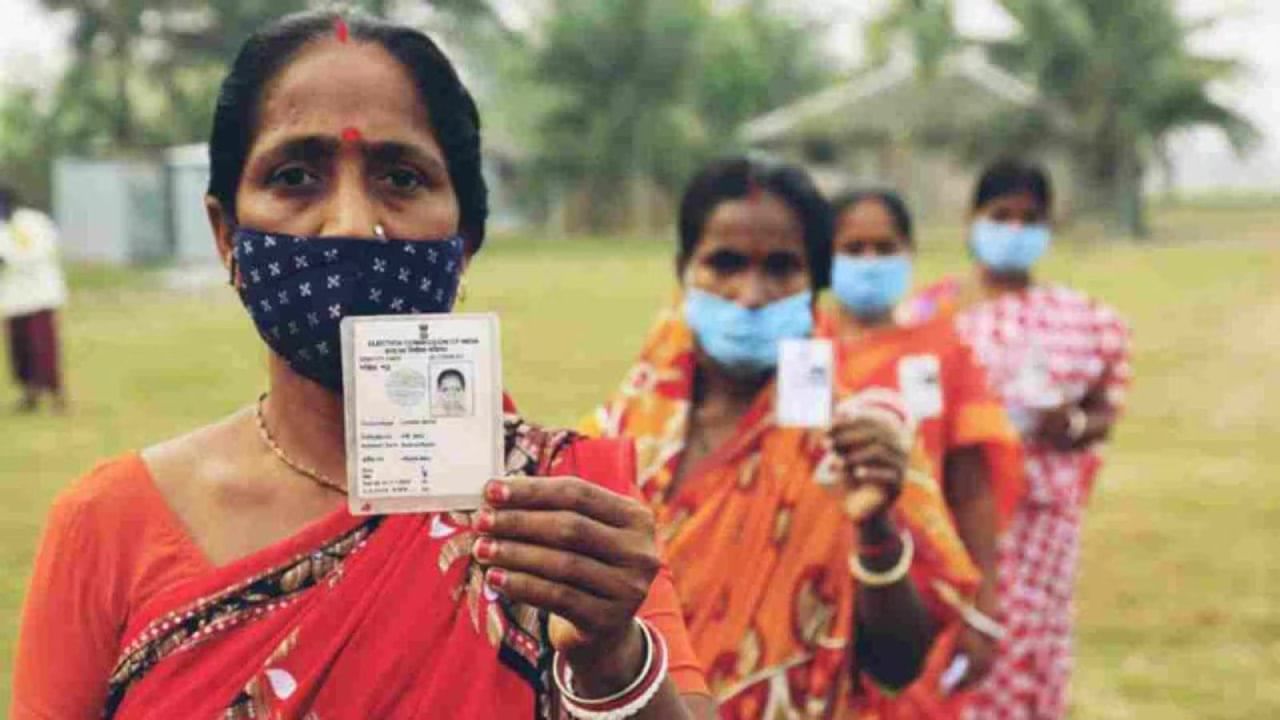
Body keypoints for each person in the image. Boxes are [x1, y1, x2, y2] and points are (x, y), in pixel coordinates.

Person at [10, 11, 714, 720]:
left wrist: (614, 656)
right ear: (227, 236)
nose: (349, 223)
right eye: (294, 177)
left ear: (463, 241)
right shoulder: (106, 527)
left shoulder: (564, 508)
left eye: (401, 178)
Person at [582, 157, 980, 719]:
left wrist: (874, 529)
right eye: (725, 263)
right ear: (684, 270)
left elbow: (899, 665)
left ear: (814, 287)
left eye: (780, 268)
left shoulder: (858, 444)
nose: (750, 294)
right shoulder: (615, 439)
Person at [906, 160, 1132, 719]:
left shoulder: (1082, 318)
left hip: (1042, 522)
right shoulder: (927, 313)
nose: (1013, 229)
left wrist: (1073, 427)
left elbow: (1105, 406)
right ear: (971, 220)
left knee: (1032, 645)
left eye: (1028, 218)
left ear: (1047, 227)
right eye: (1000, 215)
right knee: (953, 639)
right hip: (953, 512)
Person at [818, 189, 1026, 714]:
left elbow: (971, 486)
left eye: (884, 248)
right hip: (808, 592)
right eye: (853, 248)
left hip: (917, 595)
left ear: (909, 254)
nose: (869, 262)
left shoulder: (943, 349)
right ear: (824, 255)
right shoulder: (797, 346)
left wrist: (982, 609)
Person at [0, 185, 68, 413]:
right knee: (20, 351)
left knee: (43, 349)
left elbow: (40, 251)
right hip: (13, 299)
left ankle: (57, 397)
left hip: (39, 297)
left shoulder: (32, 222)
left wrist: (9, 259)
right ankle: (29, 395)